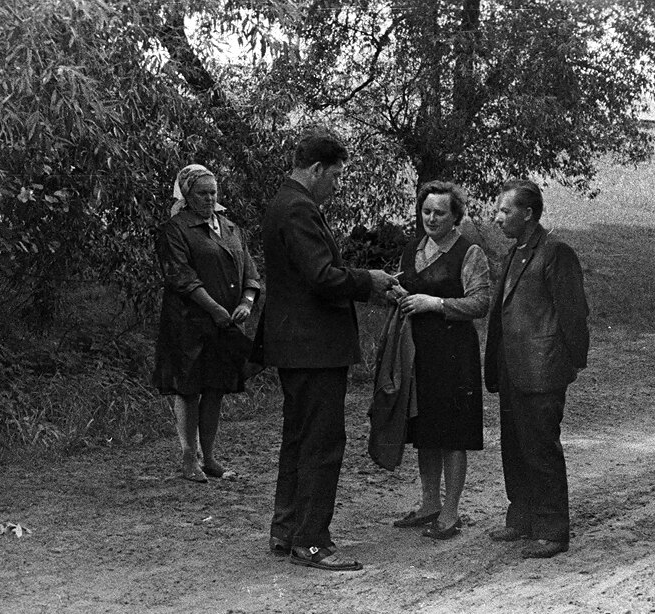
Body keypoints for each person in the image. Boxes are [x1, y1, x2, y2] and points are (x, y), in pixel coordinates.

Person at [259, 127, 398, 571]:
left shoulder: (285, 203)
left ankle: (287, 530)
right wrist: (369, 280)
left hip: (298, 346)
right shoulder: (299, 208)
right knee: (321, 442)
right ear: (316, 169)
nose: (336, 186)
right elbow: (321, 276)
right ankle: (312, 542)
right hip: (314, 348)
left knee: (299, 438)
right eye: (335, 176)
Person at [483, 178, 589, 558]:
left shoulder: (556, 252)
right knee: (514, 447)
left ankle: (552, 530)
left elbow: (574, 315)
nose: (497, 218)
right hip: (512, 370)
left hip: (542, 372)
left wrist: (567, 364)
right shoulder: (515, 252)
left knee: (541, 449)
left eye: (505, 210)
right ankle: (522, 519)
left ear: (528, 214)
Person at [387, 181, 490, 540]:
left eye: (440, 213)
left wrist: (435, 304)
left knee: (453, 433)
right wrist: (398, 294)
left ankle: (450, 512)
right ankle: (429, 503)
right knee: (426, 431)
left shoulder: (469, 252)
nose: (431, 218)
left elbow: (480, 303)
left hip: (454, 354)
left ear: (455, 217)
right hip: (418, 352)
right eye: (426, 211)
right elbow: (406, 292)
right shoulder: (413, 248)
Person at [152, 164, 261, 482]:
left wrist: (246, 302)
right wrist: (213, 308)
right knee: (188, 389)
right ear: (187, 195)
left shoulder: (230, 227)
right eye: (202, 193)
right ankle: (189, 459)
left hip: (225, 325)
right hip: (189, 323)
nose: (210, 198)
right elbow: (181, 277)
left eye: (213, 192)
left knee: (215, 388)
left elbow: (250, 271)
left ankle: (209, 458)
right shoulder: (175, 229)